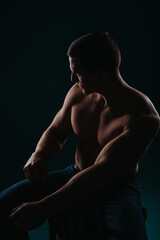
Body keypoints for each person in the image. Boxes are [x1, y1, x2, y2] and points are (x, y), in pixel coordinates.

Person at [0, 32, 159, 240]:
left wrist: (44, 207)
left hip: (115, 188)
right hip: (73, 174)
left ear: (102, 75)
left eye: (78, 73)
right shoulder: (78, 92)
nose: (72, 79)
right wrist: (38, 154)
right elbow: (56, 132)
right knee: (3, 207)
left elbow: (100, 173)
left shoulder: (143, 117)